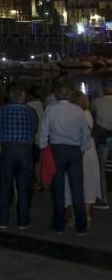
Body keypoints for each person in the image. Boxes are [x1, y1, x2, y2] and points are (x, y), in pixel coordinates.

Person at [40, 82, 90, 234]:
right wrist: (82, 148)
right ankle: (81, 226)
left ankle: (58, 224)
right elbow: (85, 133)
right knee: (77, 189)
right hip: (74, 150)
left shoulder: (50, 109)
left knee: (58, 189)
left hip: (57, 150)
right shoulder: (78, 110)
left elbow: (44, 131)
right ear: (69, 94)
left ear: (56, 95)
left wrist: (43, 148)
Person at [0, 85, 35, 229]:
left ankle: (2, 219)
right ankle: (23, 220)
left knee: (5, 185)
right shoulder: (31, 112)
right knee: (24, 187)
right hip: (26, 151)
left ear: (10, 96)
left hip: (8, 150)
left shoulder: (1, 110)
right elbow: (33, 131)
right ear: (23, 96)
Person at [65, 91, 101, 230]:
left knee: (75, 183)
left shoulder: (77, 115)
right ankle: (85, 216)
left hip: (79, 150)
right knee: (88, 183)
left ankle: (78, 217)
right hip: (89, 151)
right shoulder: (87, 113)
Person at [91, 78, 112, 210]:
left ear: (103, 88)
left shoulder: (96, 102)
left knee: (101, 170)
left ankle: (103, 200)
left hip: (104, 138)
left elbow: (93, 119)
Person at [27, 85, 44, 188]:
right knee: (38, 161)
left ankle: (34, 181)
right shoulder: (43, 105)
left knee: (31, 161)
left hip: (31, 137)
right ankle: (40, 181)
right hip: (40, 137)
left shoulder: (28, 105)